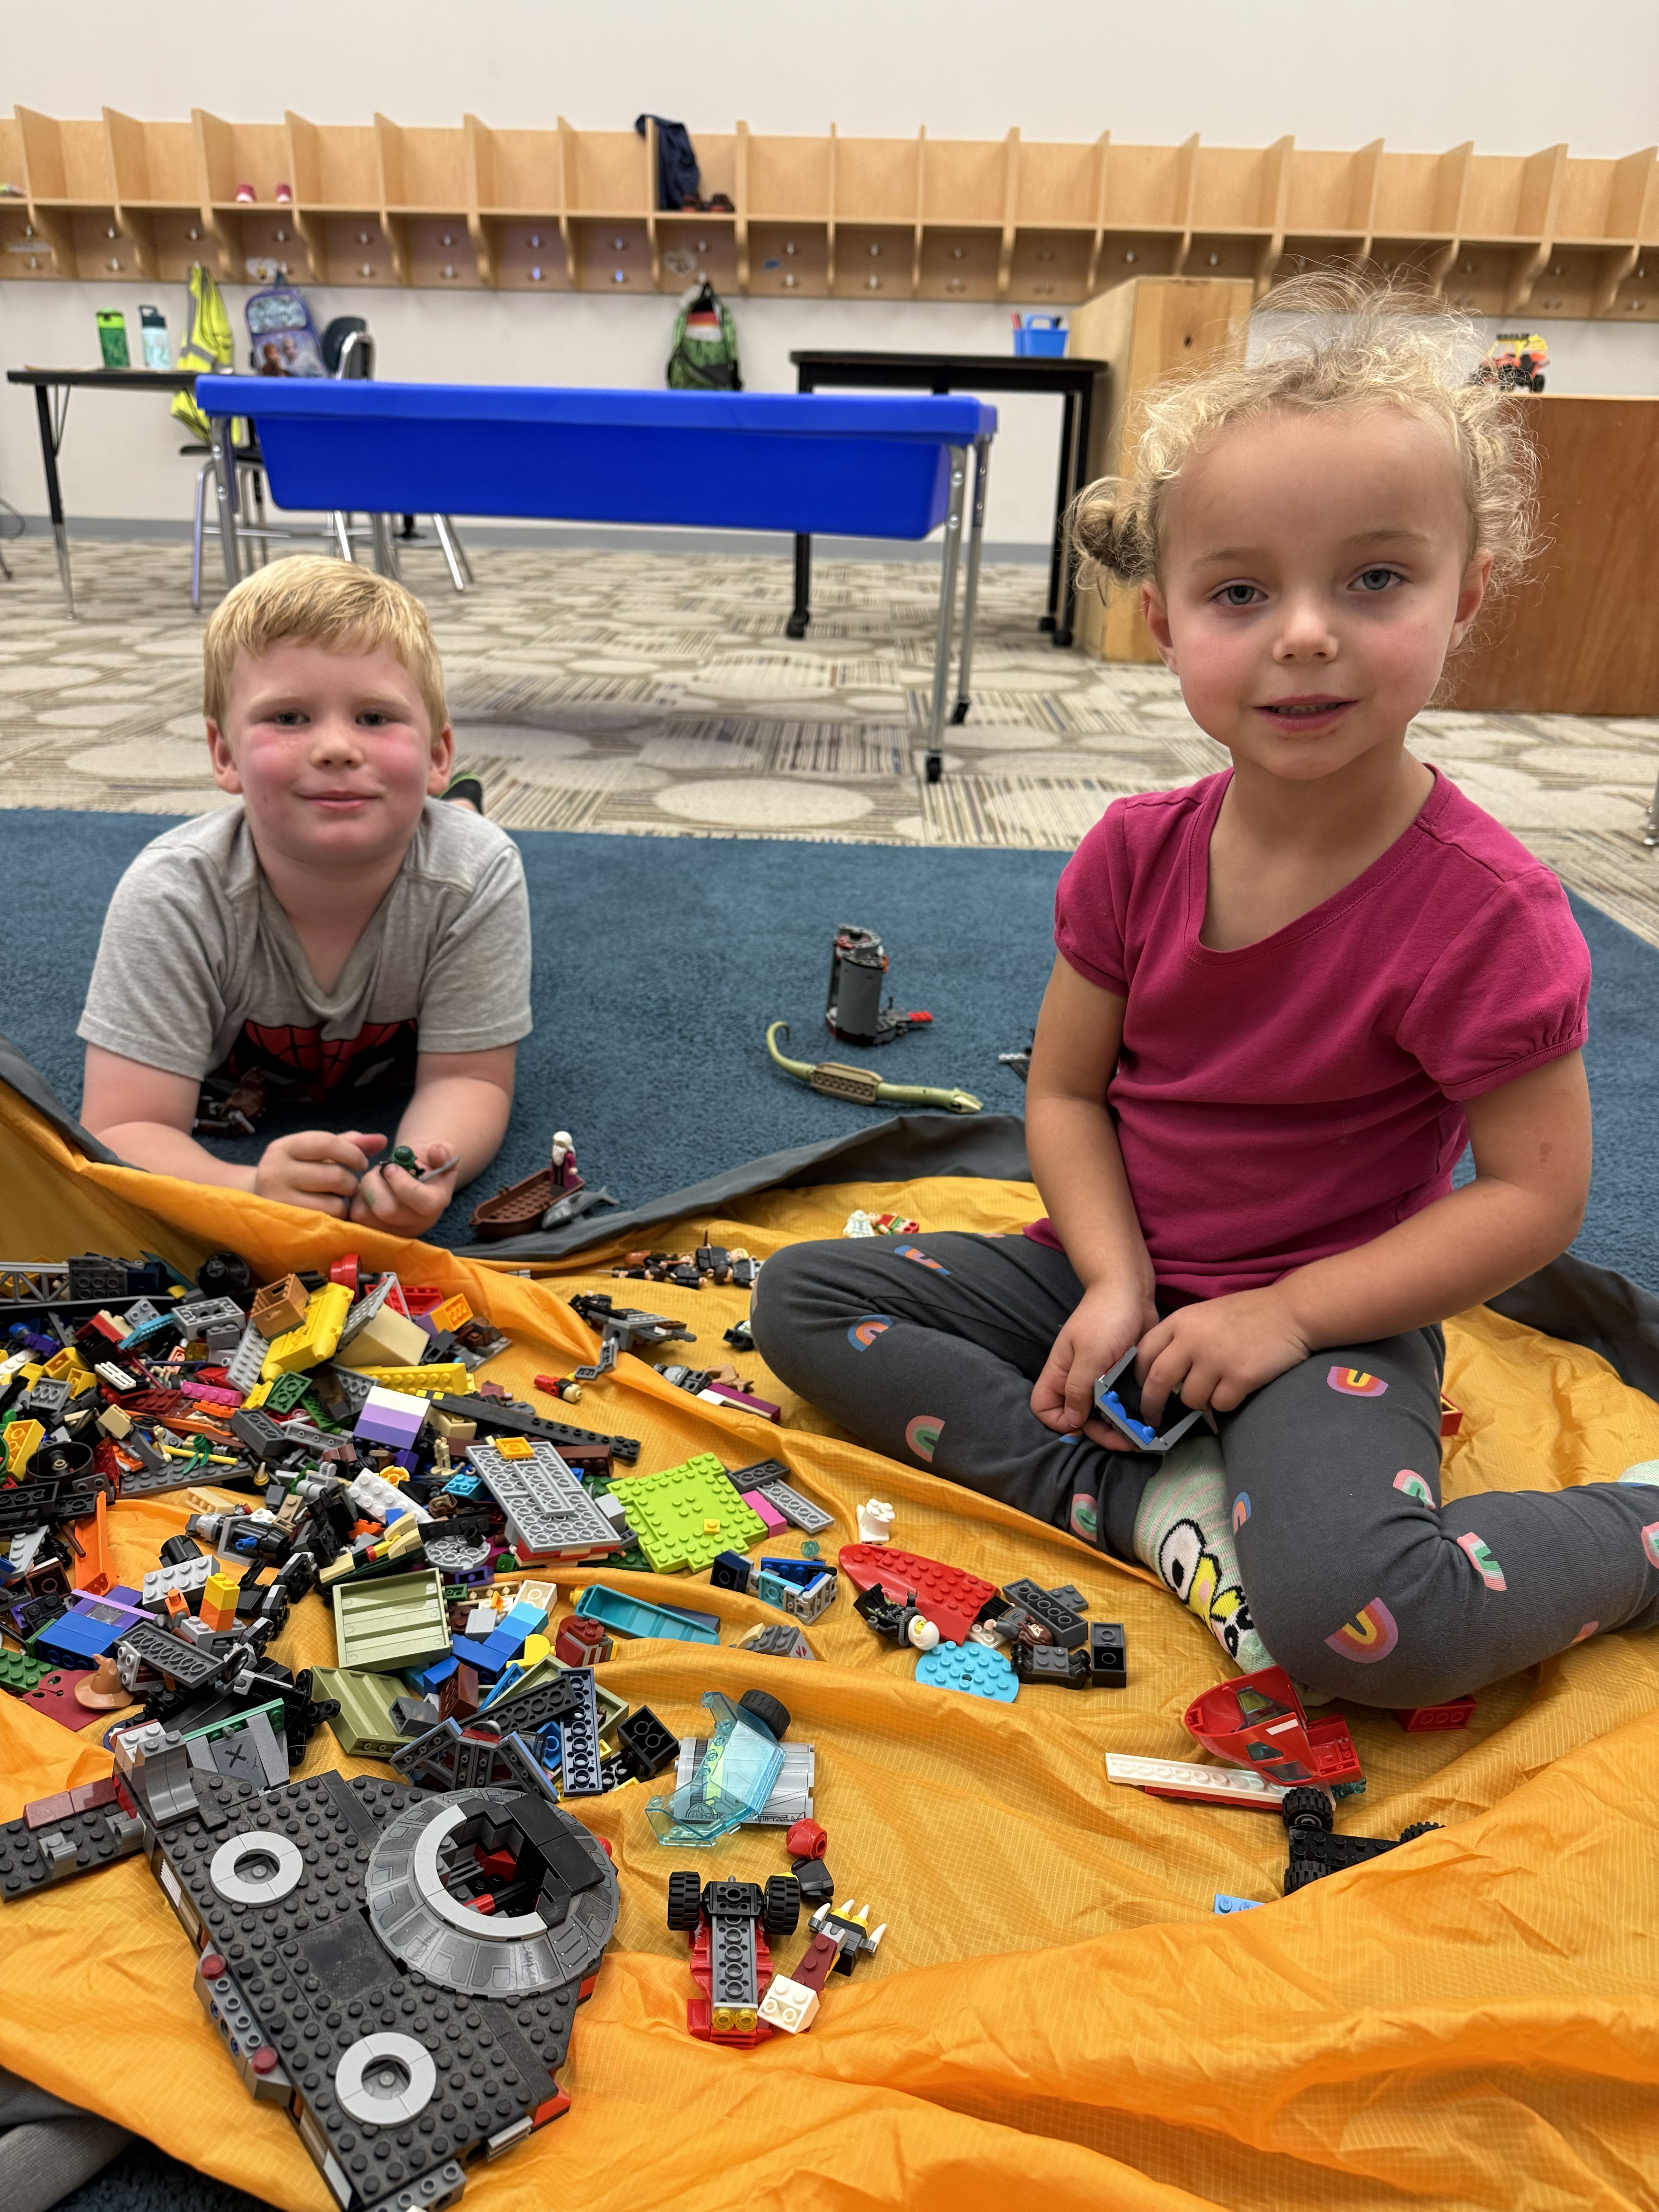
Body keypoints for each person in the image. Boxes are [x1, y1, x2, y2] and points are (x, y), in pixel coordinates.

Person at [752, 275, 1659, 1709]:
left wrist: (1289, 1318)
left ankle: (1641, 1527)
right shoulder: (1131, 855)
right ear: (1167, 623)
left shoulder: (1486, 913)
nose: (1302, 634)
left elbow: (1531, 1200)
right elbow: (1060, 1093)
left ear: (1463, 595)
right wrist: (1112, 1279)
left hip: (1336, 1316)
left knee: (1368, 1626)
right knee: (799, 1297)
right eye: (1239, 592)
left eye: (1373, 580)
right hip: (1110, 1264)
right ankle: (1135, 1503)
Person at [78, 557, 529, 1240]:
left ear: (437, 751)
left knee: (464, 833)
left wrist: (416, 1171)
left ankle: (458, 802)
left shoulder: (477, 875)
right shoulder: (172, 893)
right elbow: (123, 1124)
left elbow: (471, 1079)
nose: (336, 747)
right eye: (289, 717)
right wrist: (249, 1187)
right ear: (222, 754)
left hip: (445, 848)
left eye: (375, 717)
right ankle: (448, 799)